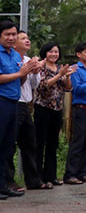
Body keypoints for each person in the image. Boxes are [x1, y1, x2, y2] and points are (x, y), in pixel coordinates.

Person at [0, 20, 37, 199]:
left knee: (8, 146)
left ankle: (3, 184)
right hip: (1, 101)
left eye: (13, 34)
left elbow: (19, 81)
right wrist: (20, 74)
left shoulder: (15, 55)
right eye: (7, 34)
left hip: (14, 103)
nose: (11, 37)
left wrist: (26, 73)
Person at [8, 30, 47, 192]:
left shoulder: (29, 60)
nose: (27, 41)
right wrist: (25, 71)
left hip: (25, 104)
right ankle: (9, 181)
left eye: (28, 38)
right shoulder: (11, 59)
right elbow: (15, 80)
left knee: (30, 143)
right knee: (9, 144)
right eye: (23, 38)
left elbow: (34, 85)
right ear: (14, 42)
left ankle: (33, 180)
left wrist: (35, 72)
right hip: (12, 103)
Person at [34, 42, 75, 187]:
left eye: (56, 52)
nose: (53, 54)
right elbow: (43, 86)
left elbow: (68, 88)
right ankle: (38, 177)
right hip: (42, 108)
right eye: (51, 51)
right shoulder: (41, 66)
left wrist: (67, 76)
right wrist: (60, 75)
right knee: (40, 143)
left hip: (57, 109)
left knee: (53, 144)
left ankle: (51, 176)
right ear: (45, 53)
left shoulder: (60, 68)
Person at [63, 42, 86, 186]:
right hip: (80, 109)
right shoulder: (75, 69)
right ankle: (70, 174)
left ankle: (82, 172)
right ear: (79, 54)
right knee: (78, 142)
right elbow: (76, 89)